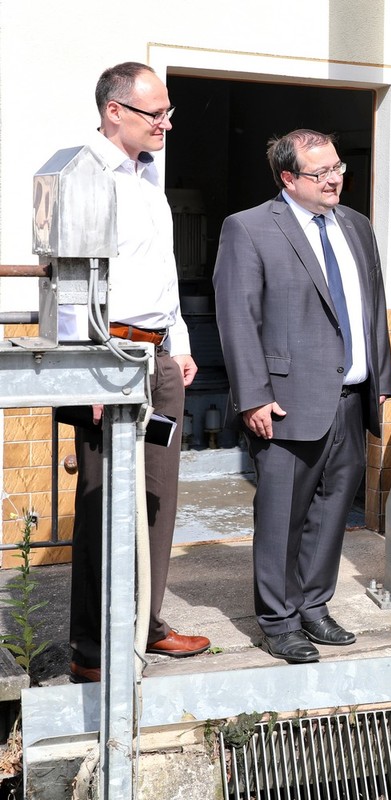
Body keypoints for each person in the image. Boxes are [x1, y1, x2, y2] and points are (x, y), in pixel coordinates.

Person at [213, 129, 391, 664]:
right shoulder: (248, 228)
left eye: (338, 167)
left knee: (333, 509)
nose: (335, 178)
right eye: (321, 173)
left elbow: (372, 309)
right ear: (288, 179)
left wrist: (380, 381)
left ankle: (314, 606)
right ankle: (278, 619)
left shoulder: (357, 227)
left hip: (351, 395)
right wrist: (252, 397)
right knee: (281, 515)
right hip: (286, 401)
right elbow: (237, 318)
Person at [65, 62, 211, 684]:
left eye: (169, 112)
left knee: (156, 497)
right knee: (103, 502)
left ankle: (144, 622)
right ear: (113, 111)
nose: (167, 124)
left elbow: (162, 274)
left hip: (156, 358)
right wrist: (80, 375)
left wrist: (177, 344)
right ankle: (93, 650)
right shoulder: (82, 175)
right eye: (156, 113)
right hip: (107, 360)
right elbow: (67, 283)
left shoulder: (149, 181)